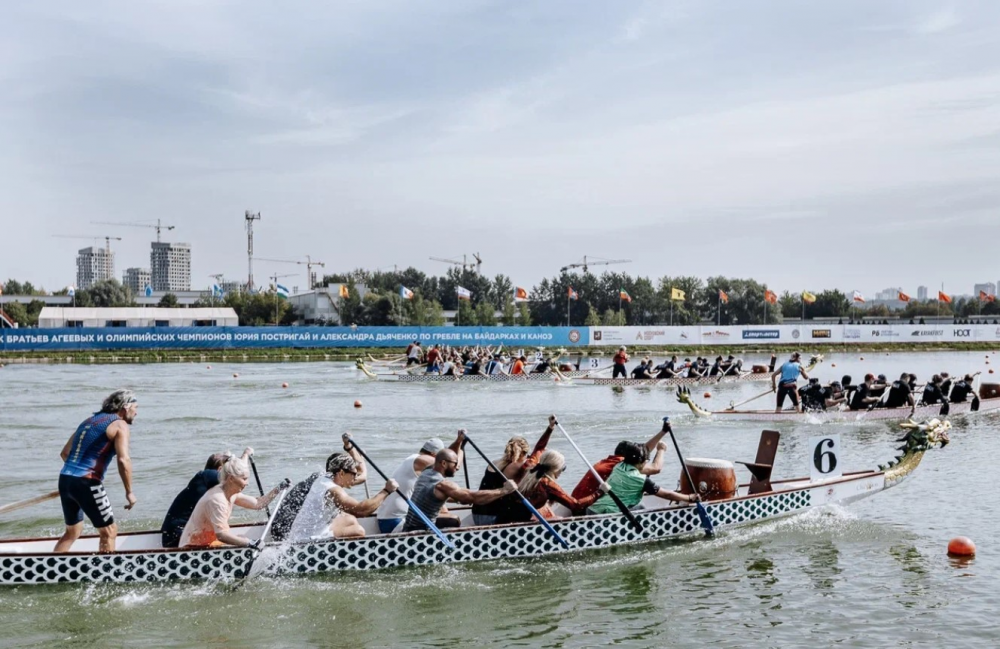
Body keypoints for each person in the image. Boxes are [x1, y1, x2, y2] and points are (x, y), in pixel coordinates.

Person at [55, 389, 139, 553]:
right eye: (136, 407)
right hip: (87, 482)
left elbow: (65, 453)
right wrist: (129, 492)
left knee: (73, 531)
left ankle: (51, 568)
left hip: (65, 479)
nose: (136, 412)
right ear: (126, 407)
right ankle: (107, 575)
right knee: (109, 531)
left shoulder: (88, 421)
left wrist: (75, 481)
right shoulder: (119, 425)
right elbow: (124, 460)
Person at [285, 439, 399, 542]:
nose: (356, 477)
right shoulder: (334, 491)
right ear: (342, 473)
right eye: (353, 474)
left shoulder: (326, 478)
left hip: (299, 533)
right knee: (358, 530)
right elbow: (362, 511)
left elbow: (362, 474)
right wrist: (386, 491)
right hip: (307, 540)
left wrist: (350, 448)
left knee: (350, 519)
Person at [401, 435, 517, 533]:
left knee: (455, 511)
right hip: (421, 531)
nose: (457, 467)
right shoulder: (442, 484)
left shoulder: (427, 471)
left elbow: (444, 454)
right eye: (455, 463)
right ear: (444, 464)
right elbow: (473, 498)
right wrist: (504, 490)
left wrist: (459, 442)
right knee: (454, 520)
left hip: (409, 527)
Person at [179, 455, 288, 548]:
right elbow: (222, 535)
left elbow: (258, 503)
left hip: (209, 543)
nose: (247, 483)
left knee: (241, 539)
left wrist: (278, 489)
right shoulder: (217, 500)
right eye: (244, 479)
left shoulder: (232, 493)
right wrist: (250, 543)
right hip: (193, 548)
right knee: (243, 540)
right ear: (231, 478)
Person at [160, 447, 252, 548]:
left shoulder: (207, 482)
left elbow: (239, 473)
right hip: (176, 537)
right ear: (220, 469)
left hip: (175, 533)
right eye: (228, 468)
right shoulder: (208, 474)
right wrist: (246, 455)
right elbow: (238, 474)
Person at [375, 435, 460, 533]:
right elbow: (453, 467)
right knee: (453, 520)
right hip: (396, 522)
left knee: (442, 510)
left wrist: (459, 442)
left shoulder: (413, 461)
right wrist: (459, 444)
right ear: (434, 455)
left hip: (386, 520)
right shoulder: (421, 460)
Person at [571, 419, 672, 501]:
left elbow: (644, 451)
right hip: (584, 505)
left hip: (579, 501)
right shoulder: (620, 465)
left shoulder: (611, 460)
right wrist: (661, 450)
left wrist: (663, 432)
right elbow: (656, 468)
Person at [587, 442, 698, 514]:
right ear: (643, 462)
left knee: (637, 505)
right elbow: (667, 494)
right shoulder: (641, 480)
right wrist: (689, 497)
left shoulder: (618, 466)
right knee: (641, 508)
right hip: (605, 515)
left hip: (591, 510)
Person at [510, 450, 601, 520]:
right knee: (559, 518)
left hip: (509, 515)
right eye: (563, 468)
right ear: (555, 468)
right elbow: (576, 505)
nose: (562, 471)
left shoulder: (530, 472)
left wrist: (550, 429)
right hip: (521, 523)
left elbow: (539, 447)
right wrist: (599, 492)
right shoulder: (547, 483)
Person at [471, 435, 530, 526]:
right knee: (525, 507)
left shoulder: (494, 462)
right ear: (523, 453)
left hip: (476, 514)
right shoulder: (516, 466)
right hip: (492, 518)